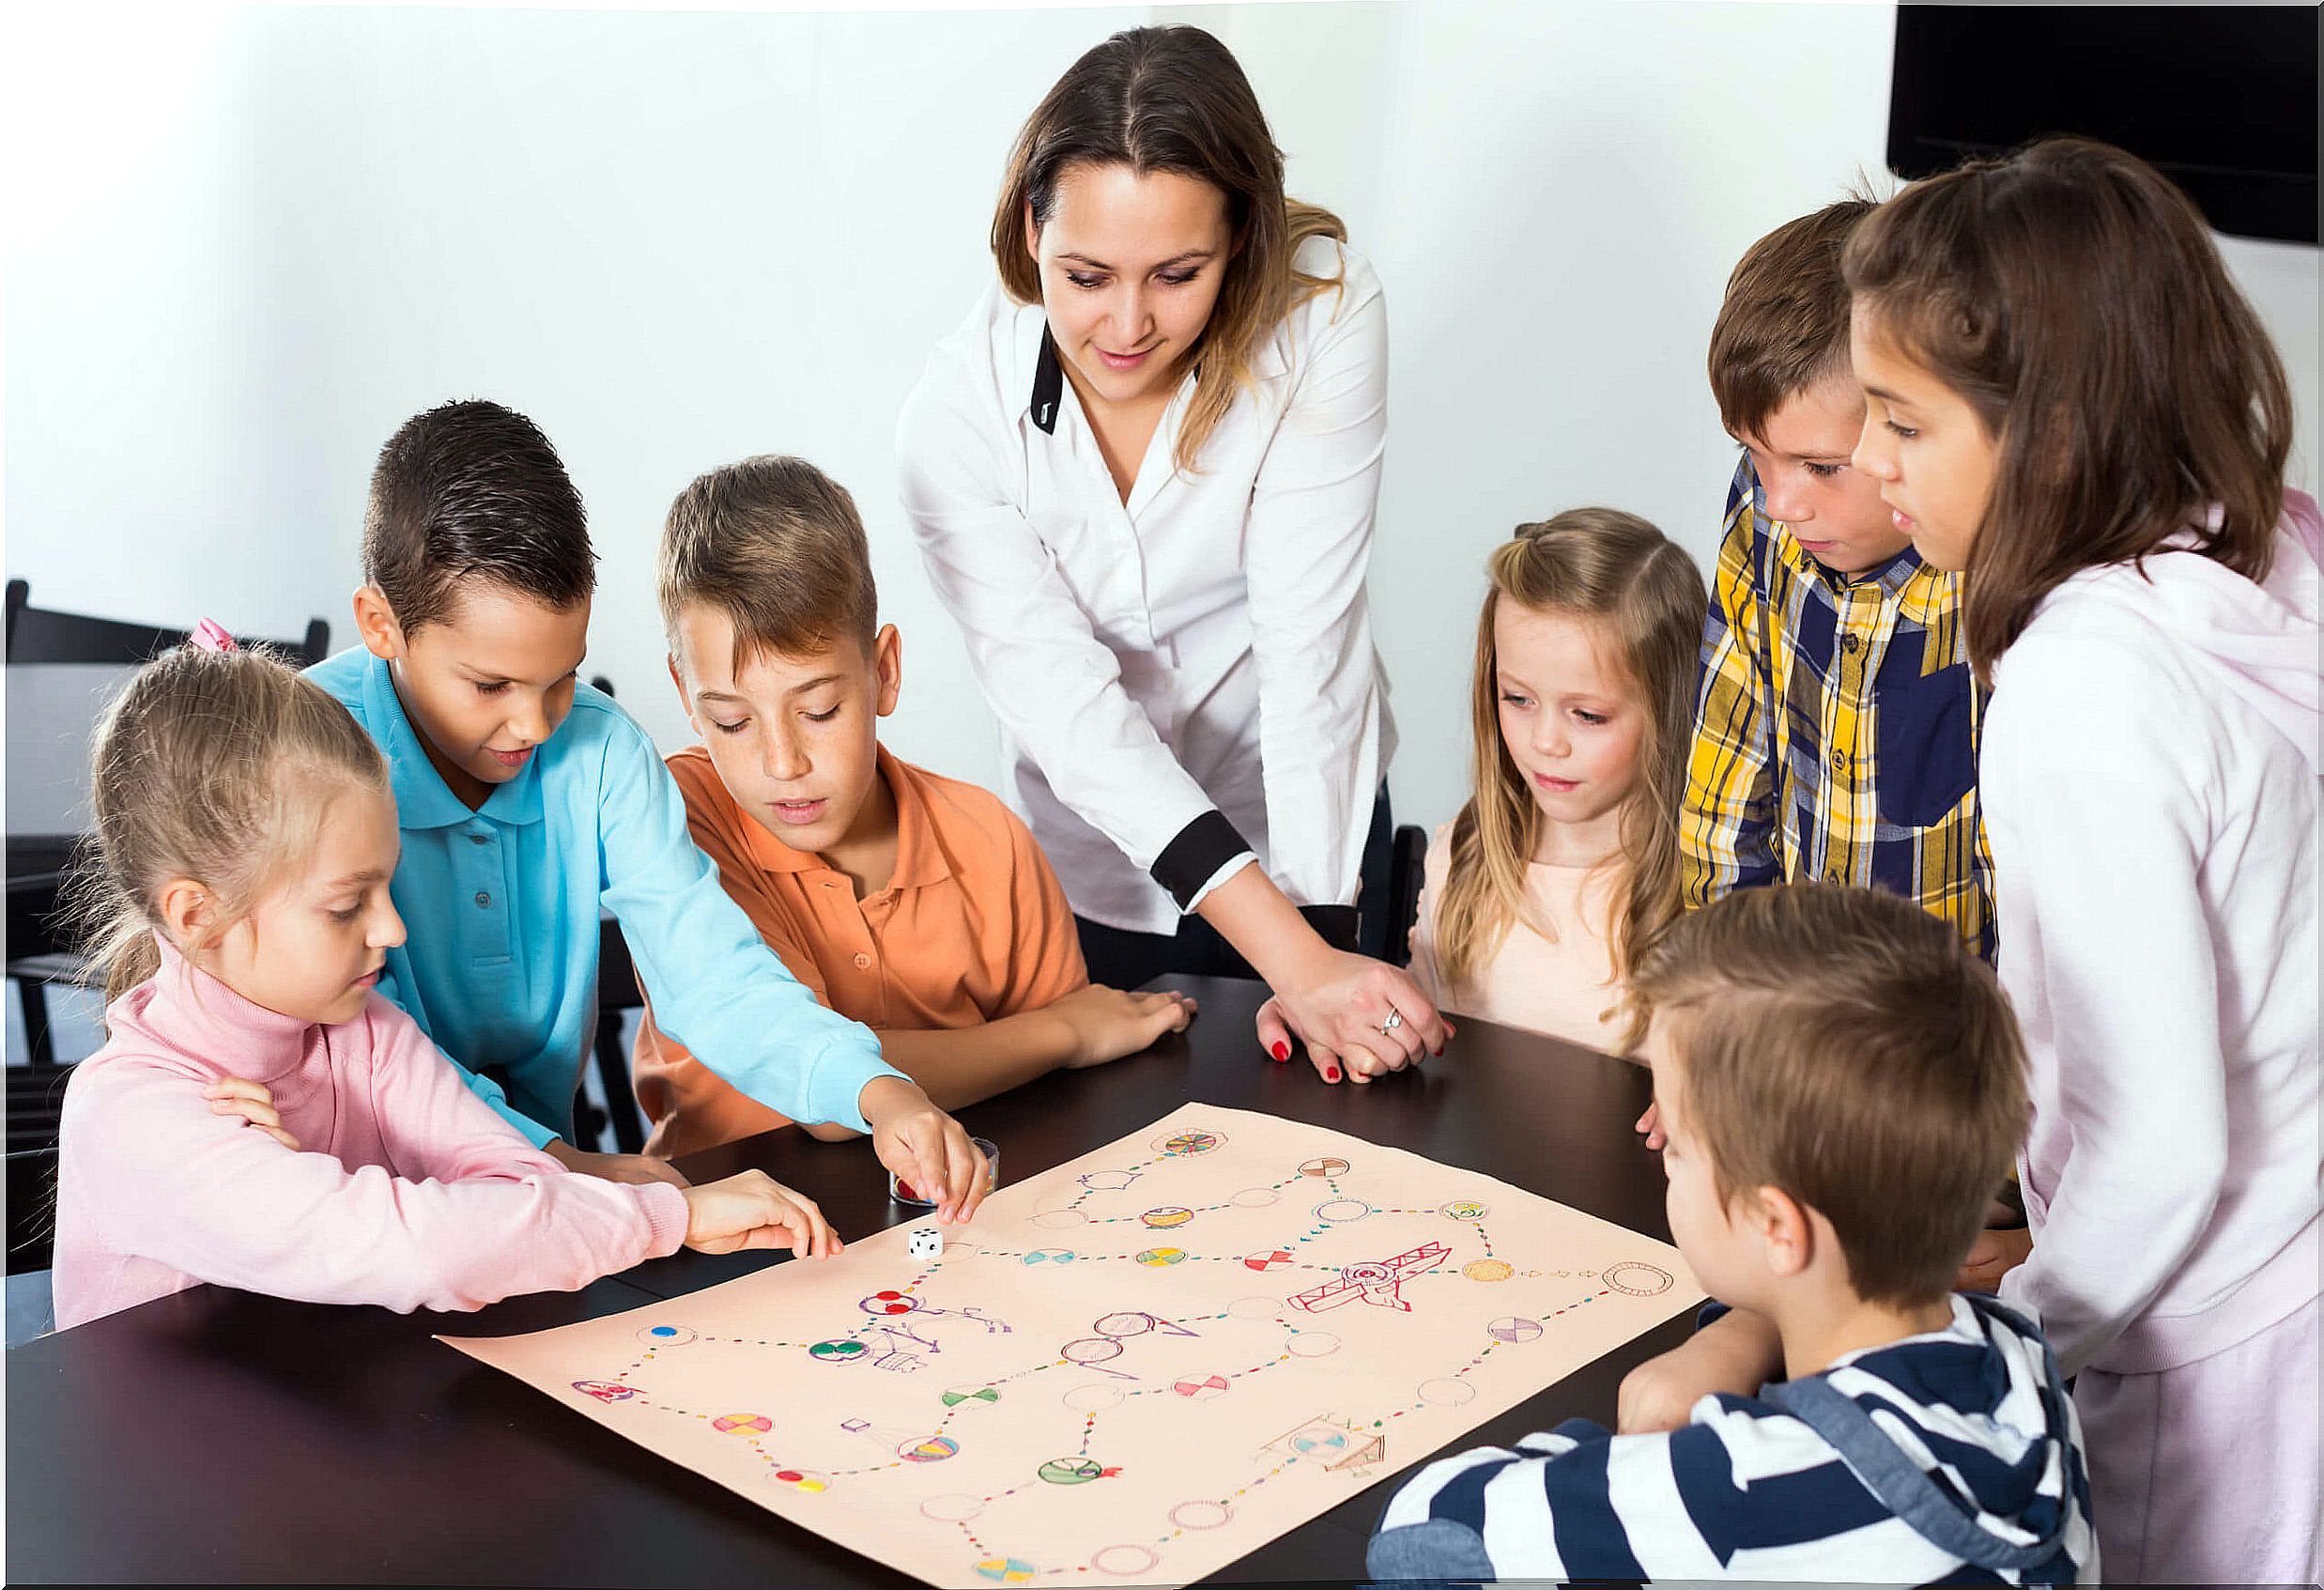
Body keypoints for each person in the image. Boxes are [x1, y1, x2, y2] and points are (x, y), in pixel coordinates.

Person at [1845, 134, 2319, 1584]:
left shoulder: (2080, 691)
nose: (1867, 464)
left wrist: (2003, 1346)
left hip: (2202, 1338)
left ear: (2043, 439)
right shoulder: (2264, 555)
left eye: (1901, 425)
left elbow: (2159, 1144)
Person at [897, 24, 1445, 1086]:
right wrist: (1292, 954)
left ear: (1241, 236)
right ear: (1031, 229)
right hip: (1099, 859)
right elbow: (1072, 717)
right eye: (1086, 275)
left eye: (1177, 274)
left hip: (1308, 822)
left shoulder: (1322, 314)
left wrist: (1319, 941)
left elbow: (1310, 647)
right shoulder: (956, 421)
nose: (1128, 325)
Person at [308, 399, 988, 1222]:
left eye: (562, 676)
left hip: (538, 1210)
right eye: (491, 685)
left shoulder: (601, 751)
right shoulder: (297, 756)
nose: (533, 724)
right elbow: (369, 1052)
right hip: (345, 1213)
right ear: (382, 624)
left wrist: (879, 1092)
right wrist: (565, 1164)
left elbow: (715, 978)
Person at [53, 641, 842, 1332]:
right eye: (345, 904)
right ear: (198, 914)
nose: (393, 931)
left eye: (388, 885)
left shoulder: (363, 1028)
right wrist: (674, 1215)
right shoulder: (130, 1114)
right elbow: (421, 1248)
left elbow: (523, 1179)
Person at [1369, 884, 2095, 1583]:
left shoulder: (1738, 1487)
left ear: (1776, 1225)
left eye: (1677, 1146)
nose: (1666, 1167)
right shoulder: (2024, 1360)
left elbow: (1421, 1533)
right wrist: (1742, 1331)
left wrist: (1631, 1459)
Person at [633, 455, 1197, 1158]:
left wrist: (1057, 1045)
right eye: (733, 722)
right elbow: (829, 1100)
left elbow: (1064, 1102)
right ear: (686, 697)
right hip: (732, 1246)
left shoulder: (987, 841)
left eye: (819, 709)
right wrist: (1063, 1034)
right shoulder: (672, 821)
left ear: (885, 672)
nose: (783, 765)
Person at [1683, 196, 1993, 965]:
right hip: (1788, 1006)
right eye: (1754, 453)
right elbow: (1727, 769)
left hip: (1951, 1039)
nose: (1782, 502)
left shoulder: (1987, 581)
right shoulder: (1764, 506)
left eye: (1820, 466)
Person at [1403, 510, 1702, 1051]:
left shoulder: (1714, 894)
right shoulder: (1461, 856)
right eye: (1517, 699)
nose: (1545, 742)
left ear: (1670, 706)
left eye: (1587, 715)